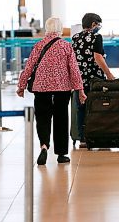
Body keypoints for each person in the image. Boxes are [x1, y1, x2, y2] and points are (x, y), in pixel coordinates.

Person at [17, 17, 86, 165]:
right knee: (61, 118)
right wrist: (80, 89)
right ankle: (61, 154)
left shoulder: (39, 45)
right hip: (62, 88)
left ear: (47, 29)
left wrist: (21, 86)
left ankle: (44, 146)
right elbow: (74, 70)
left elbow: (29, 67)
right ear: (60, 29)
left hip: (41, 88)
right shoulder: (66, 46)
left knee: (43, 118)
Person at [72, 13, 115, 148]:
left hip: (79, 78)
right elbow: (98, 57)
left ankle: (83, 138)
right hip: (94, 78)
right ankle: (98, 135)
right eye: (99, 24)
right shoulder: (96, 37)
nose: (99, 27)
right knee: (96, 106)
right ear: (93, 24)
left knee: (81, 108)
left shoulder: (75, 37)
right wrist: (109, 74)